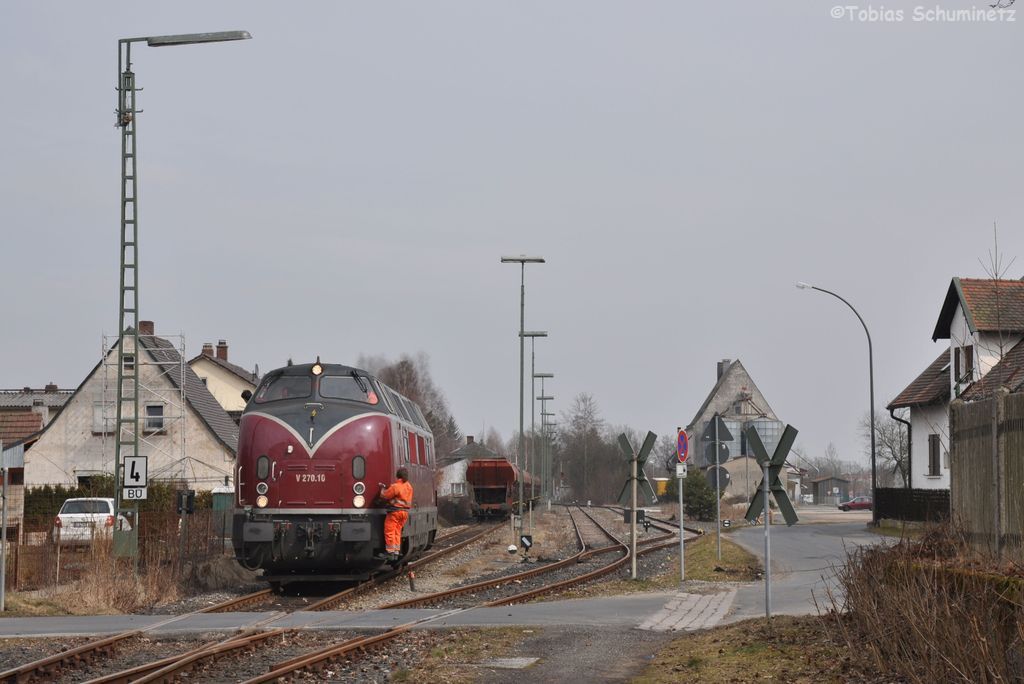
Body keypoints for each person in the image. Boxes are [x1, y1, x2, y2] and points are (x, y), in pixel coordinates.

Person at [378, 468, 413, 562]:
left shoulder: (395, 486)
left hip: (395, 512)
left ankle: (390, 552)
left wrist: (382, 489)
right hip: (404, 513)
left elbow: (385, 496)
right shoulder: (409, 486)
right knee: (397, 531)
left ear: (398, 476)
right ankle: (396, 551)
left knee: (389, 530)